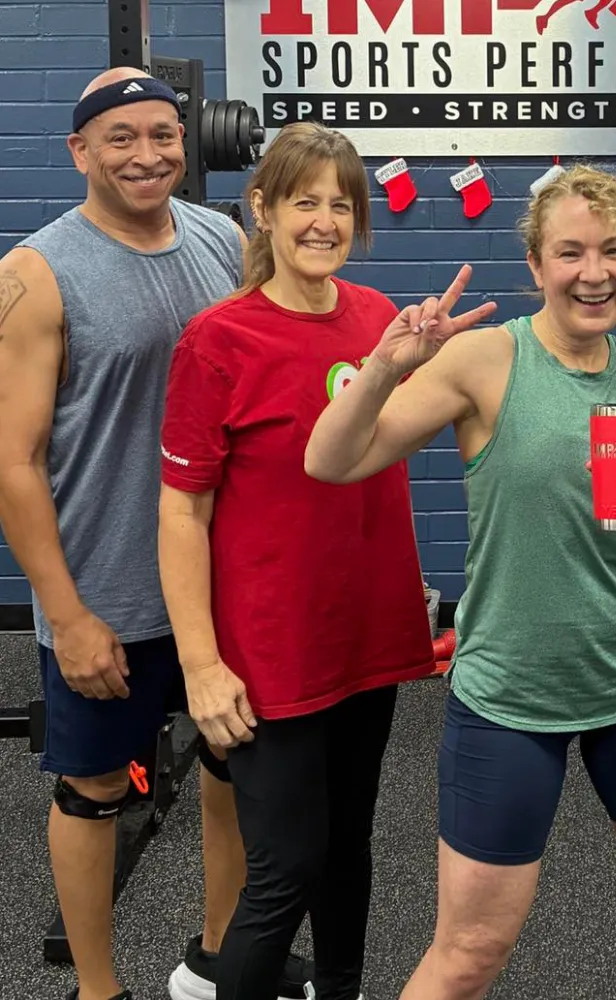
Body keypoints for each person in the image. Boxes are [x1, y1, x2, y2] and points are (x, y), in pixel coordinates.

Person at [303, 163, 616, 1000]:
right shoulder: (484, 359)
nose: (594, 271)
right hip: (509, 693)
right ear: (537, 265)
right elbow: (331, 460)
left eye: (615, 250)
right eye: (570, 252)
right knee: (469, 950)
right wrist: (385, 366)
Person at [0, 67, 311, 1000]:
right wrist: (66, 612)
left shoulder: (223, 237)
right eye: (122, 137)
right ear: (81, 152)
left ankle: (217, 960)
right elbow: (13, 463)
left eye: (162, 134)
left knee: (227, 765)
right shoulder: (35, 273)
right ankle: (98, 988)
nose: (148, 154)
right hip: (108, 587)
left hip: (221, 584)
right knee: (94, 790)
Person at [155, 122, 476, 1000]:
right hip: (269, 648)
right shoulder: (217, 341)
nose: (325, 220)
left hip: (363, 637)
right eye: (305, 201)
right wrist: (201, 665)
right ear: (261, 210)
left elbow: (373, 468)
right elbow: (181, 511)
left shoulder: (379, 321)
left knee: (347, 849)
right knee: (284, 867)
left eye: (342, 203)